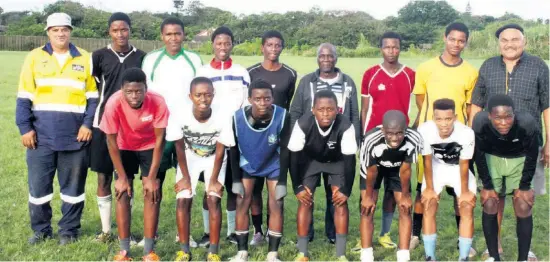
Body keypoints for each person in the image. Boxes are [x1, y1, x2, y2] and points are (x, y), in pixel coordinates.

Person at [16, 12, 98, 245]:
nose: (60, 33)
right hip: (40, 137)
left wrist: (87, 124)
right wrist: (25, 129)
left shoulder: (84, 58)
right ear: (48, 32)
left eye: (65, 29)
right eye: (55, 30)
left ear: (70, 31)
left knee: (73, 188)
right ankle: (41, 230)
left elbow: (93, 97)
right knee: (39, 188)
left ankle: (68, 231)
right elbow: (24, 97)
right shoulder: (34, 57)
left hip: (76, 137)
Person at [469, 24, 549, 260]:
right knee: (494, 197)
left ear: (524, 41)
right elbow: (476, 103)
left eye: (515, 39)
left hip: (527, 147)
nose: (510, 44)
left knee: (523, 197)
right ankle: (495, 247)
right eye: (505, 40)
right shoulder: (488, 66)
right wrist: (472, 138)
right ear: (499, 43)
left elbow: (547, 105)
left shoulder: (538, 66)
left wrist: (549, 143)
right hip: (492, 147)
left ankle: (526, 249)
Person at [410, 22, 478, 257]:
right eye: (452, 39)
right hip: (431, 136)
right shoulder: (426, 67)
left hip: (456, 137)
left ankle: (464, 242)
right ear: (444, 38)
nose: (456, 44)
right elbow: (420, 99)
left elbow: (470, 106)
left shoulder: (470, 71)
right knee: (424, 190)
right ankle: (416, 234)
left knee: (462, 193)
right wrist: (433, 122)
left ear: (465, 42)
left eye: (461, 40)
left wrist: (455, 126)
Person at [289, 42, 360, 244]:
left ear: (336, 58)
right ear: (317, 58)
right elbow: (295, 111)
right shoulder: (307, 82)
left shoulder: (347, 82)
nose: (326, 59)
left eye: (330, 56)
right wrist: (298, 137)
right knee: (307, 193)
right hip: (310, 146)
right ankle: (307, 235)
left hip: (338, 147)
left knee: (335, 194)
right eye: (322, 56)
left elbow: (354, 113)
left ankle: (332, 233)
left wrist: (354, 140)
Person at [141, 16, 203, 246]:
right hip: (158, 131)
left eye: (177, 33)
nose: (173, 38)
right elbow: (144, 93)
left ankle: (183, 234)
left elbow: (201, 93)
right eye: (169, 34)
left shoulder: (194, 59)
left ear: (184, 35)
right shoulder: (151, 60)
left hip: (186, 132)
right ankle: (151, 234)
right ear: (162, 36)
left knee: (185, 184)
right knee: (153, 182)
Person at [99, 68, 169, 261]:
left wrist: (152, 177)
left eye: (138, 91)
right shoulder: (113, 102)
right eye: (129, 92)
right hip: (123, 146)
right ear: (122, 90)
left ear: (146, 89)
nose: (134, 96)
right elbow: (110, 141)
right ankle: (124, 251)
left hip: (150, 147)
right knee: (122, 193)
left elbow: (160, 140)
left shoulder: (157, 101)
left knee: (152, 193)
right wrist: (121, 178)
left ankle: (148, 251)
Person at [219, 80, 290, 262]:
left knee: (277, 204)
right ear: (249, 99)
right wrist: (235, 180)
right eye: (257, 98)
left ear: (272, 98)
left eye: (267, 98)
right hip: (248, 163)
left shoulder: (282, 116)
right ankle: (242, 252)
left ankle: (272, 254)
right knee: (243, 201)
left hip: (273, 163)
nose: (263, 102)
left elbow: (285, 150)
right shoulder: (237, 118)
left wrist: (282, 180)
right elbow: (233, 150)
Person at [90, 12, 146, 243]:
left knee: (127, 178)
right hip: (104, 124)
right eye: (115, 30)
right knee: (103, 177)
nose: (120, 34)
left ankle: (126, 230)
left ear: (130, 30)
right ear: (109, 32)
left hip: (131, 128)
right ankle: (105, 231)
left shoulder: (142, 57)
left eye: (124, 29)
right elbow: (94, 90)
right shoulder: (99, 56)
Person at [358, 31, 415, 250]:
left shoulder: (411, 74)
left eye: (395, 47)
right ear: (380, 48)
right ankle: (364, 237)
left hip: (399, 141)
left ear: (400, 48)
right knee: (369, 190)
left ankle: (384, 233)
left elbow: (419, 103)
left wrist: (412, 129)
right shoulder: (370, 74)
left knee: (394, 192)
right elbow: (365, 109)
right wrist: (365, 137)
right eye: (387, 47)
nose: (391, 51)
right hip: (374, 141)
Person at [196, 26, 251, 246]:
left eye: (227, 43)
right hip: (208, 137)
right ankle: (209, 232)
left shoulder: (241, 72)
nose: (222, 47)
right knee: (210, 185)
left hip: (235, 138)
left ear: (232, 44)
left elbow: (247, 105)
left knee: (231, 186)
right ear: (212, 45)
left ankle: (230, 231)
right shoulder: (202, 71)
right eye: (218, 43)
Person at [289, 90, 358, 261]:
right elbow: (294, 158)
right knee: (305, 199)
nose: (326, 114)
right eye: (321, 109)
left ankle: (341, 254)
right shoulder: (303, 123)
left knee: (339, 200)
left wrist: (346, 190)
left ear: (338, 110)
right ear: (313, 110)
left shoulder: (346, 125)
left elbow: (350, 161)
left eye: (330, 109)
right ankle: (302, 253)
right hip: (310, 161)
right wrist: (297, 187)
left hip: (337, 162)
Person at [166, 77, 229, 262]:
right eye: (198, 95)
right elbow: (179, 147)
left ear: (213, 95)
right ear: (190, 96)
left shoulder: (223, 114)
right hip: (188, 158)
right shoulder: (179, 114)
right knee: (183, 199)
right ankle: (184, 250)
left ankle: (213, 252)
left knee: (213, 198)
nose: (203, 99)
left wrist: (214, 180)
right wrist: (185, 177)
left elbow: (220, 149)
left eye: (208, 95)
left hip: (214, 159)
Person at [473, 94, 539, 262]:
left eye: (508, 117)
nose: (504, 123)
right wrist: (487, 185)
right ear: (489, 116)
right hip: (491, 158)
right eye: (498, 118)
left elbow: (532, 154)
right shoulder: (480, 122)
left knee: (523, 204)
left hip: (519, 158)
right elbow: (478, 154)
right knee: (489, 202)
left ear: (514, 114)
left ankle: (523, 258)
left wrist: (524, 186)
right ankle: (494, 256)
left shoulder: (527, 123)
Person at [247, 30, 297, 245]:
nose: (273, 49)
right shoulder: (250, 72)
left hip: (279, 139)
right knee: (255, 189)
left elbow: (287, 105)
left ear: (282, 48)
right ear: (262, 47)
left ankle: (273, 231)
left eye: (278, 45)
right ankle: (257, 231)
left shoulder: (290, 74)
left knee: (276, 189)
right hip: (255, 138)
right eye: (270, 45)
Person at [417, 99, 477, 261]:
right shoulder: (425, 130)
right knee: (428, 203)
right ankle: (430, 256)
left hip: (458, 168)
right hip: (437, 168)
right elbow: (427, 160)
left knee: (466, 205)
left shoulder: (466, 132)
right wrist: (429, 189)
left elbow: (465, 164)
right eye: (439, 119)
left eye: (448, 119)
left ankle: (463, 256)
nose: (443, 124)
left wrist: (464, 192)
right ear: (433, 118)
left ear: (455, 117)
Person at [359, 110, 421, 262]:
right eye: (390, 133)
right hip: (374, 169)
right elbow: (371, 171)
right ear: (382, 130)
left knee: (405, 208)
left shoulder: (414, 138)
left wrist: (406, 196)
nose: (395, 138)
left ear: (406, 130)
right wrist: (367, 197)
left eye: (399, 133)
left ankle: (403, 256)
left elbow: (406, 170)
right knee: (368, 208)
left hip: (398, 169)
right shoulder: (370, 139)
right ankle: (366, 255)